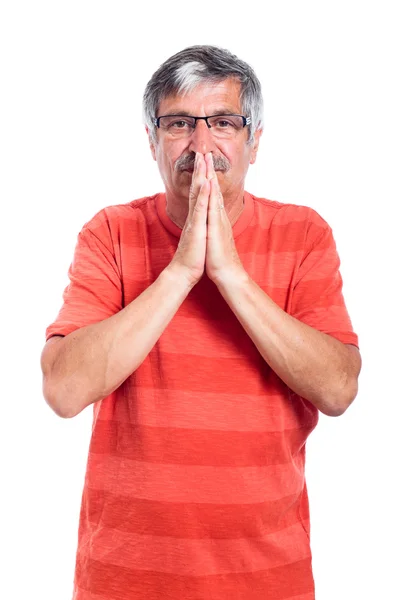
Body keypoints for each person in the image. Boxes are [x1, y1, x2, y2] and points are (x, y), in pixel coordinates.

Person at [41, 45, 362, 600]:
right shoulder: (110, 233)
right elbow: (64, 390)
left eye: (222, 122)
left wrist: (230, 274)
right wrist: (182, 271)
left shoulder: (305, 234)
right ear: (151, 141)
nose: (201, 144)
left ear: (254, 140)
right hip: (124, 582)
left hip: (265, 581)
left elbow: (338, 388)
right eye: (179, 124)